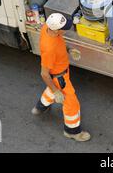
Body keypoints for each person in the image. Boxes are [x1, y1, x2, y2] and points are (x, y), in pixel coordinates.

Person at [31, 13, 91, 142]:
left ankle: (40, 108)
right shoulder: (49, 48)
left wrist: (69, 50)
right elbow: (44, 74)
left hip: (61, 73)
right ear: (57, 29)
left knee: (51, 92)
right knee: (72, 104)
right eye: (65, 27)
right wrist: (56, 91)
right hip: (59, 77)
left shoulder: (47, 28)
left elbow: (58, 43)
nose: (67, 29)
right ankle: (72, 131)